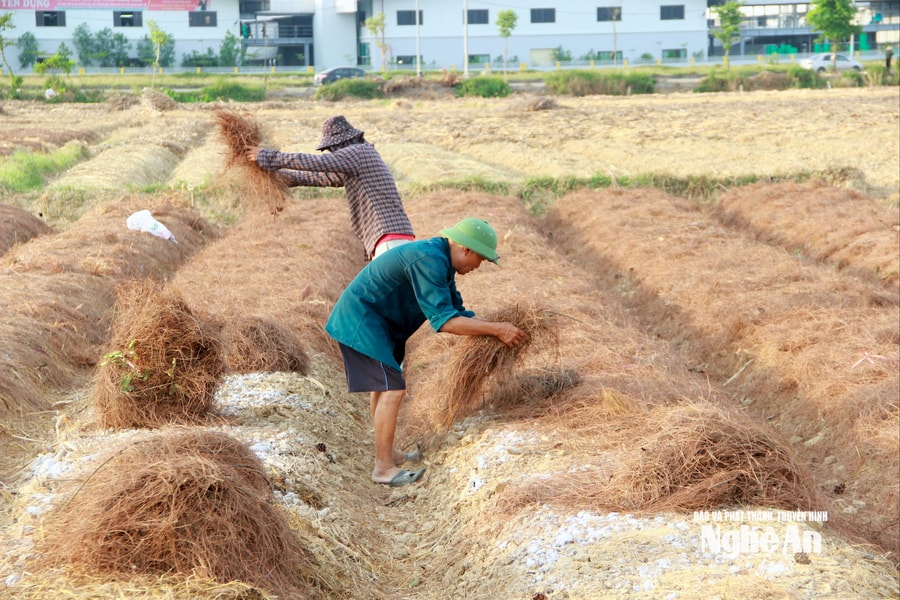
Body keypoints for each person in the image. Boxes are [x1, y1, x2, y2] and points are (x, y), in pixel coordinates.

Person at [324, 218, 528, 487]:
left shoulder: (441, 261)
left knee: (382, 386)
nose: (478, 267)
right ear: (466, 250)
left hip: (381, 324)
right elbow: (444, 322)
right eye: (480, 259)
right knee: (392, 390)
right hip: (362, 321)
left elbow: (457, 311)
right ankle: (383, 468)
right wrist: (496, 329)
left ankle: (388, 453)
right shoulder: (430, 260)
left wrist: (489, 329)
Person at [246, 115, 415, 260]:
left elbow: (317, 163)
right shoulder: (359, 160)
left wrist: (266, 155)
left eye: (332, 148)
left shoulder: (357, 153)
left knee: (384, 295)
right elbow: (321, 177)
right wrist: (282, 179)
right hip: (394, 238)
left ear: (343, 141)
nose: (331, 152)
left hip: (388, 239)